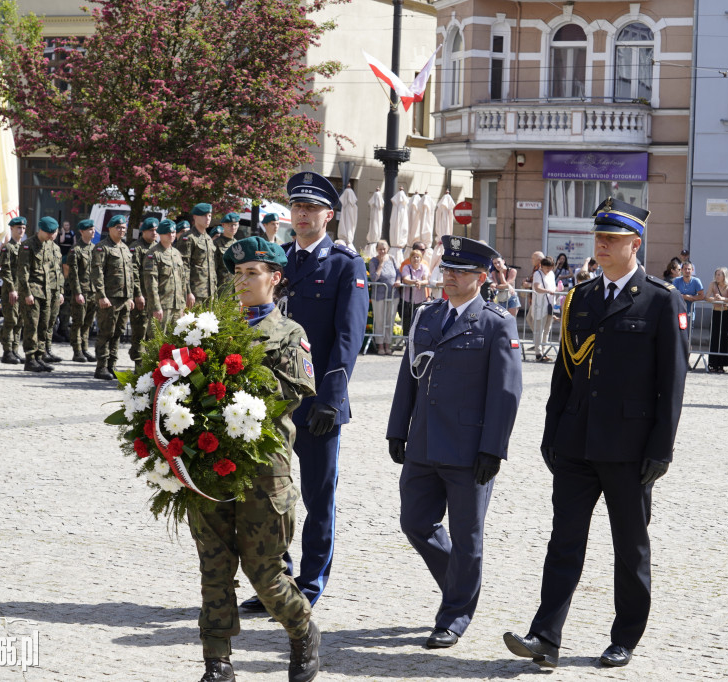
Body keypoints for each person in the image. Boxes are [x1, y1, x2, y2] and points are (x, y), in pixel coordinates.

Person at [504, 197, 688, 670]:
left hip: (629, 450)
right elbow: (564, 373)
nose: (601, 244)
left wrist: (660, 450)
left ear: (636, 244)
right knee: (563, 541)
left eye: (612, 238)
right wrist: (551, 431)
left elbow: (672, 384)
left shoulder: (661, 299)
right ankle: (545, 636)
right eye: (599, 237)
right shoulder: (581, 297)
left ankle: (625, 636)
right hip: (576, 444)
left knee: (630, 547)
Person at [190, 237, 320, 682]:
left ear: (275, 278)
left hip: (265, 473)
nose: (242, 281)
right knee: (215, 565)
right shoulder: (212, 328)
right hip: (210, 465)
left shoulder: (290, 334)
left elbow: (293, 392)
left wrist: (235, 379)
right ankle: (217, 661)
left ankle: (302, 631)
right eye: (238, 272)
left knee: (265, 572)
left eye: (252, 273)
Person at [239, 171, 368, 611]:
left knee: (317, 496)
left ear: (329, 215)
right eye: (297, 207)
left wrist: (333, 399)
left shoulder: (345, 263)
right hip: (272, 400)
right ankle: (275, 581)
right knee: (269, 495)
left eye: (312, 208)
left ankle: (309, 585)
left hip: (317, 403)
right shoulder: (279, 262)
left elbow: (348, 339)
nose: (302, 214)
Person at [387, 235, 522, 650]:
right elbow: (409, 376)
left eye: (460, 272)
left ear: (481, 278)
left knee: (467, 536)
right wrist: (398, 428)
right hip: (425, 442)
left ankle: (454, 616)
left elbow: (506, 392)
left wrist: (493, 448)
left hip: (468, 450)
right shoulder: (427, 316)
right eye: (447, 269)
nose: (449, 277)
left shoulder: (496, 322)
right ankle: (461, 582)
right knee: (414, 522)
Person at [17, 217, 65, 373]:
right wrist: (26, 293)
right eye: (49, 233)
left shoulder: (53, 247)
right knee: (32, 325)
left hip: (49, 292)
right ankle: (30, 359)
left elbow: (57, 272)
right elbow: (23, 273)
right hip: (33, 291)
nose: (52, 236)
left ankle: (40, 357)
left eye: (54, 233)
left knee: (44, 326)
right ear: (41, 230)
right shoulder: (28, 246)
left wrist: (60, 291)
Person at [91, 214, 134, 381]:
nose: (121, 230)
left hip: (123, 299)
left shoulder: (125, 248)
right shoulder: (102, 248)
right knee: (106, 333)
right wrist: (101, 296)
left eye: (123, 228)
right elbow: (97, 273)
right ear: (110, 228)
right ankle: (101, 367)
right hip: (109, 299)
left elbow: (129, 275)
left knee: (118, 333)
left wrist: (130, 297)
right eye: (118, 227)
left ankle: (112, 365)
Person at [142, 219, 188, 332]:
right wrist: (156, 307)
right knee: (158, 341)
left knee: (176, 340)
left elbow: (182, 281)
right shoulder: (153, 254)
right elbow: (151, 284)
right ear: (160, 234)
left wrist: (183, 305)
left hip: (177, 306)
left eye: (173, 232)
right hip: (162, 306)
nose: (171, 235)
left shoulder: (177, 254)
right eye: (167, 233)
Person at [0, 216, 27, 365]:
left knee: (20, 321)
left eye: (23, 228)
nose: (21, 230)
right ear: (12, 229)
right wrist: (11, 289)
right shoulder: (8, 248)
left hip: (22, 290)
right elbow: (5, 271)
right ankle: (7, 351)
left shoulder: (24, 247)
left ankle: (15, 350)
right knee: (10, 321)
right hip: (11, 290)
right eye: (18, 228)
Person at [128, 217, 158, 364]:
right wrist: (138, 294)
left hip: (154, 298)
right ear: (143, 232)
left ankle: (148, 362)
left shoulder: (157, 248)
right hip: (142, 297)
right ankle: (138, 364)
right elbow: (133, 273)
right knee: (140, 331)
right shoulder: (136, 247)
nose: (154, 233)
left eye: (156, 230)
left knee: (152, 331)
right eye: (151, 230)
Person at [67, 219, 97, 362]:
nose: (93, 231)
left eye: (93, 229)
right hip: (82, 291)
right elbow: (73, 274)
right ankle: (77, 350)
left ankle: (85, 348)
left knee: (88, 323)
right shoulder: (76, 250)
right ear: (82, 231)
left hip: (93, 292)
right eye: (90, 229)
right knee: (78, 322)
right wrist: (77, 292)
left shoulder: (95, 248)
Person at [180, 203, 219, 307]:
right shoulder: (188, 238)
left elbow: (211, 267)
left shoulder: (208, 239)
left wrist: (214, 291)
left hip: (209, 293)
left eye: (209, 215)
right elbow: (184, 267)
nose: (208, 219)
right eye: (204, 216)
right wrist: (188, 292)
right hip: (195, 293)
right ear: (195, 217)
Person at [368, 239, 399, 355]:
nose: (382, 251)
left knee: (389, 320)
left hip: (393, 294)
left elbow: (398, 272)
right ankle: (380, 345)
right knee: (380, 320)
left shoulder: (392, 259)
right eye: (380, 249)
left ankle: (388, 345)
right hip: (379, 295)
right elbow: (374, 278)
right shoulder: (373, 261)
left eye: (384, 249)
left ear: (388, 249)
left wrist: (398, 280)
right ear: (376, 249)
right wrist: (380, 264)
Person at [705, 267, 728, 372]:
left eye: (719, 274)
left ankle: (726, 363)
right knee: (715, 336)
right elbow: (707, 297)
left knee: (725, 338)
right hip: (716, 312)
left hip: (726, 313)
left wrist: (722, 299)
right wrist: (715, 299)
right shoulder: (712, 284)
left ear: (724, 276)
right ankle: (714, 364)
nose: (717, 276)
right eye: (716, 274)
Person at [400, 241, 430, 333]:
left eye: (418, 257)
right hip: (407, 300)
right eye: (414, 257)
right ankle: (406, 341)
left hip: (420, 299)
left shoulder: (424, 267)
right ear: (411, 258)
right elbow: (405, 279)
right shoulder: (406, 266)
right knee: (407, 322)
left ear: (421, 259)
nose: (416, 259)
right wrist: (415, 282)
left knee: (419, 322)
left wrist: (421, 282)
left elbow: (426, 280)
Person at [211, 212, 240, 286]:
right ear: (223, 225)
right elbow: (212, 270)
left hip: (236, 288)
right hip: (222, 288)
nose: (233, 228)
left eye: (235, 225)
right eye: (230, 225)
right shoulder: (216, 244)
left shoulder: (238, 244)